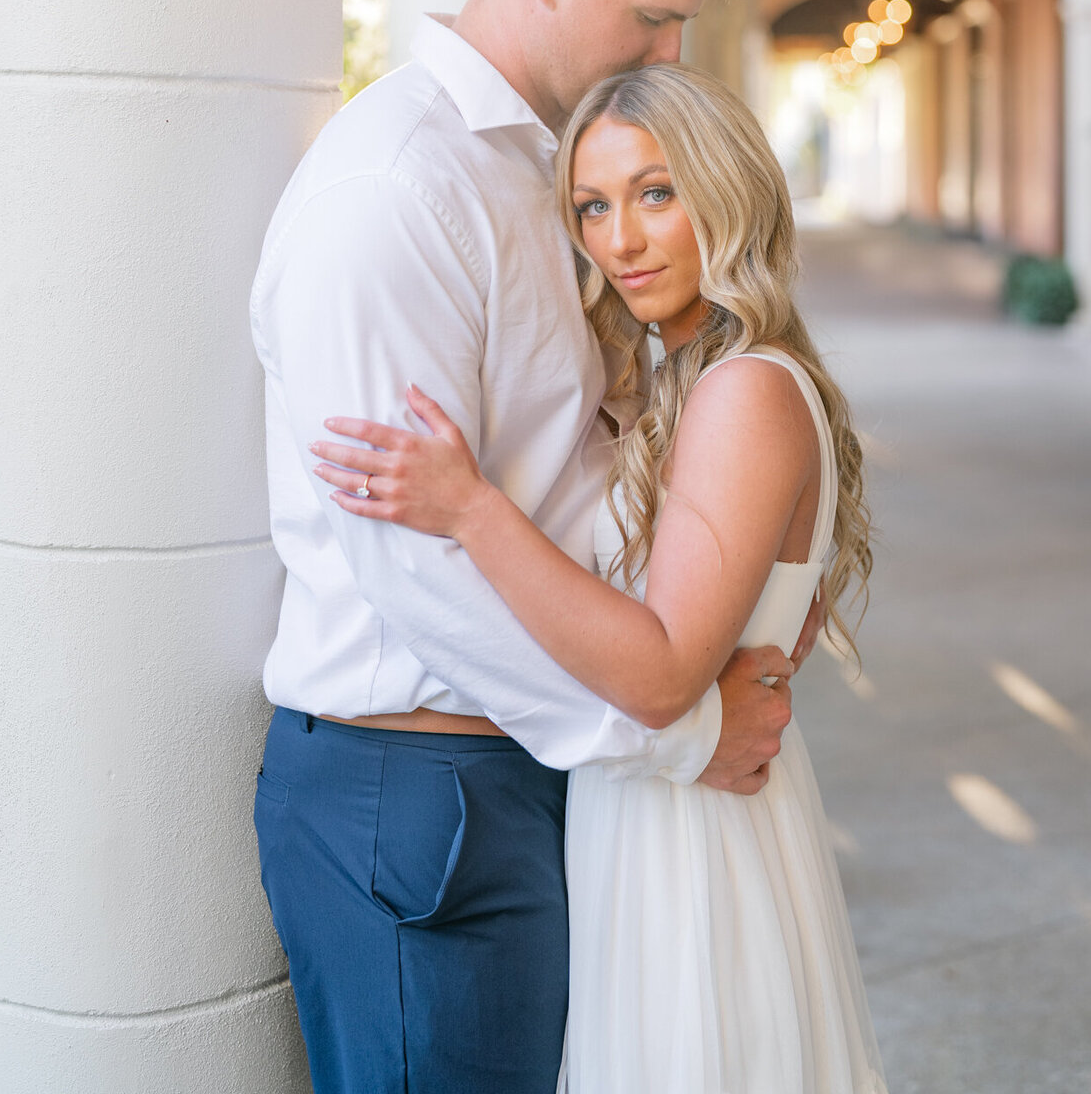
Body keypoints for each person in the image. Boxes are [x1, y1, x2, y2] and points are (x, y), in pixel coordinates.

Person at [250, 0, 820, 1094]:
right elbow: (413, 563)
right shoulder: (395, 192)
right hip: (423, 790)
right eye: (654, 18)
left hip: (541, 756)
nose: (672, 54)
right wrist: (671, 735)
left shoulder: (551, 171)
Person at [314, 61, 887, 1093]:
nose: (620, 239)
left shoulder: (744, 391)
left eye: (655, 193)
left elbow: (662, 675)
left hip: (696, 836)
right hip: (655, 811)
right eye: (592, 206)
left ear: (728, 191)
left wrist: (472, 508)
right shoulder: (687, 386)